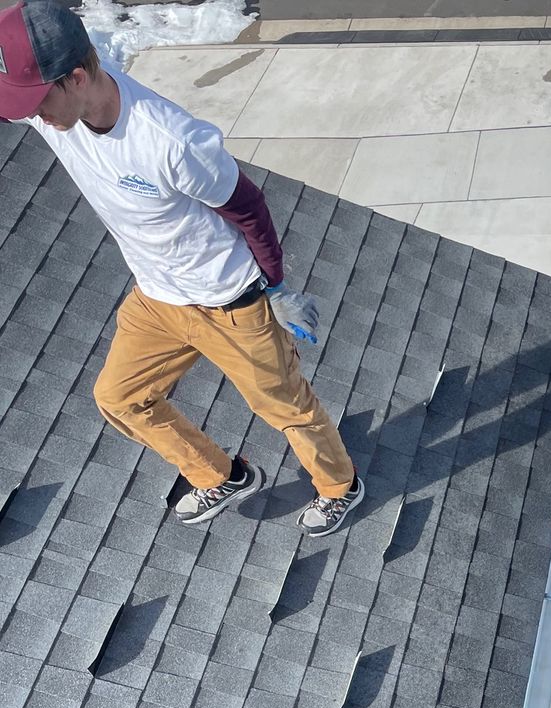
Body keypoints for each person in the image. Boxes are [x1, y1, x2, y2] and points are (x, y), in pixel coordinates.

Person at [0, 0, 364, 537]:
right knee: (119, 398)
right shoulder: (55, 114)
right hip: (157, 297)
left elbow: (248, 207)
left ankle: (340, 486)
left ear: (76, 77)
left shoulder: (171, 142)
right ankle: (223, 474)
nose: (31, 115)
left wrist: (279, 289)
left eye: (36, 101)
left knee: (285, 406)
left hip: (230, 302)